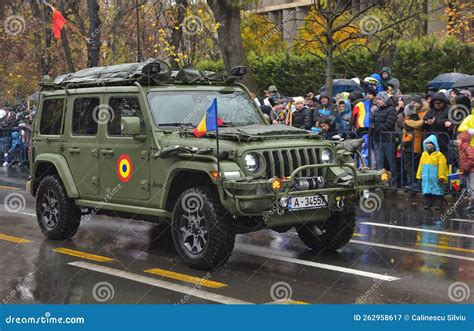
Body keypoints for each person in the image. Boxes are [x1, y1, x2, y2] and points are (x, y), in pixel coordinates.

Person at [371, 92, 398, 186]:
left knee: (391, 162)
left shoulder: (391, 110)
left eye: (379, 99)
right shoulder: (377, 111)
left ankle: (393, 182)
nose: (377, 101)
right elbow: (373, 122)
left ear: (384, 100)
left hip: (387, 139)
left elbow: (389, 124)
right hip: (377, 139)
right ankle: (382, 182)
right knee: (379, 163)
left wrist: (377, 128)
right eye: (377, 99)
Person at [402, 96, 428, 190]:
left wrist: (406, 121)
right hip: (412, 145)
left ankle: (415, 184)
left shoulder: (411, 120)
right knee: (413, 166)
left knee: (410, 166)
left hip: (411, 145)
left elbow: (416, 125)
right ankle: (414, 183)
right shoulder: (416, 117)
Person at [416, 135, 448, 211]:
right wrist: (419, 175)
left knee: (437, 191)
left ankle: (438, 204)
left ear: (435, 144)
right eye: (427, 143)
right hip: (426, 177)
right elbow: (420, 165)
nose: (428, 145)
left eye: (431, 143)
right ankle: (427, 204)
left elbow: (442, 167)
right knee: (427, 191)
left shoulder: (439, 155)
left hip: (435, 178)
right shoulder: (424, 154)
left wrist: (441, 176)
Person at [424, 92, 453, 156]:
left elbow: (451, 122)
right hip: (432, 140)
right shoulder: (430, 111)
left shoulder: (450, 109)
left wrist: (436, 121)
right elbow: (425, 120)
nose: (437, 104)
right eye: (435, 103)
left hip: (445, 140)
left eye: (439, 103)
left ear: (443, 102)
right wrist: (426, 122)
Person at [458, 103, 474, 213]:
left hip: (470, 165)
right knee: (470, 186)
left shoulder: (466, 148)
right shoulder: (470, 117)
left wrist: (467, 167)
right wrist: (470, 130)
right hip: (471, 146)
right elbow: (461, 127)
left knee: (472, 186)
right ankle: (471, 204)